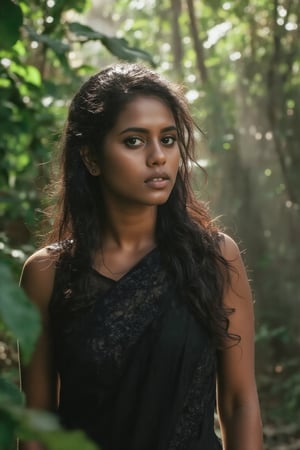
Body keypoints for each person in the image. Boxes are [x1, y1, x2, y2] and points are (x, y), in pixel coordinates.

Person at [20, 62, 263, 450]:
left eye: (167, 139)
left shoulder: (215, 259)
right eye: (134, 141)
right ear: (91, 158)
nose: (158, 157)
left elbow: (238, 402)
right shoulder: (48, 274)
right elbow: (37, 424)